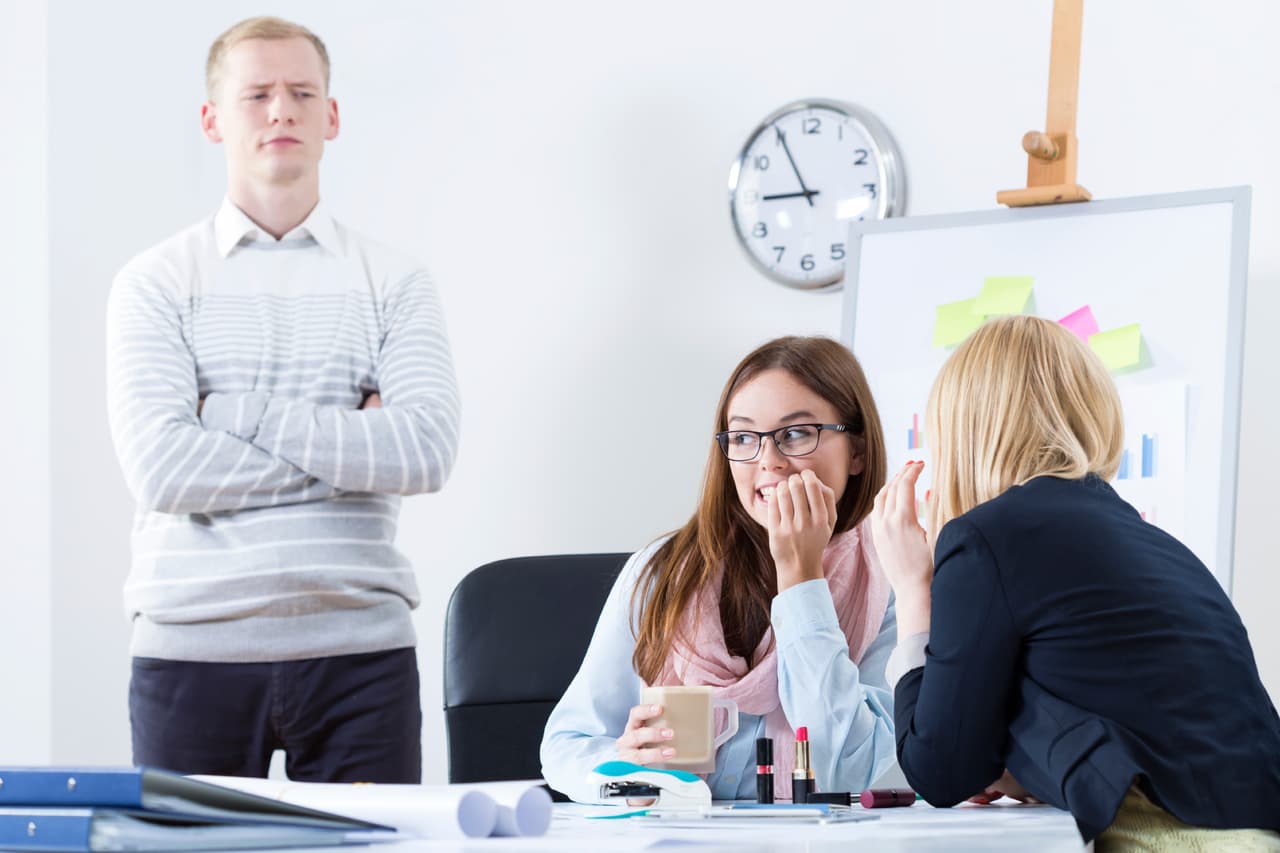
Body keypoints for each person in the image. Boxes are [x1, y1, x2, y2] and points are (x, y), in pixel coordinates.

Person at [105, 16, 460, 783]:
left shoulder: (394, 280)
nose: (280, 111)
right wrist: (354, 455)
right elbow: (164, 470)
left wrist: (236, 415)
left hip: (360, 651)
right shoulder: (156, 281)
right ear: (213, 120)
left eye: (302, 92)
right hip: (189, 649)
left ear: (331, 115)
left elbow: (426, 449)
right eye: (257, 94)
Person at [870, 315, 1280, 848]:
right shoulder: (1158, 545)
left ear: (963, 431)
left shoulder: (985, 538)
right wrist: (1017, 766)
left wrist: (910, 588)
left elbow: (939, 772)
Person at [541, 336, 898, 802]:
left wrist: (802, 578)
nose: (768, 461)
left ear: (858, 452)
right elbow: (568, 745)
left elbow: (846, 765)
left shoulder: (890, 585)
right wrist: (625, 770)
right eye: (745, 437)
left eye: (795, 434)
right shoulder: (662, 572)